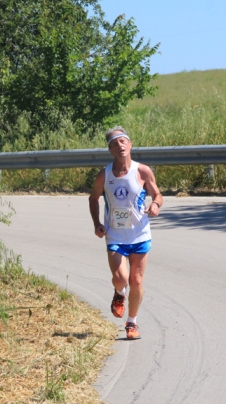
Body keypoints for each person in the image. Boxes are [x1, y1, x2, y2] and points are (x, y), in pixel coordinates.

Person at [89, 126, 162, 340]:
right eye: (114, 144)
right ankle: (119, 293)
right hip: (115, 235)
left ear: (130, 145)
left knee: (137, 281)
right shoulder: (104, 175)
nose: (120, 146)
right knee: (121, 278)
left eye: (123, 142)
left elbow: (157, 194)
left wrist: (156, 205)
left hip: (140, 235)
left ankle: (132, 323)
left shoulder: (143, 171)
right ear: (110, 150)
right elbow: (93, 198)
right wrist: (97, 223)